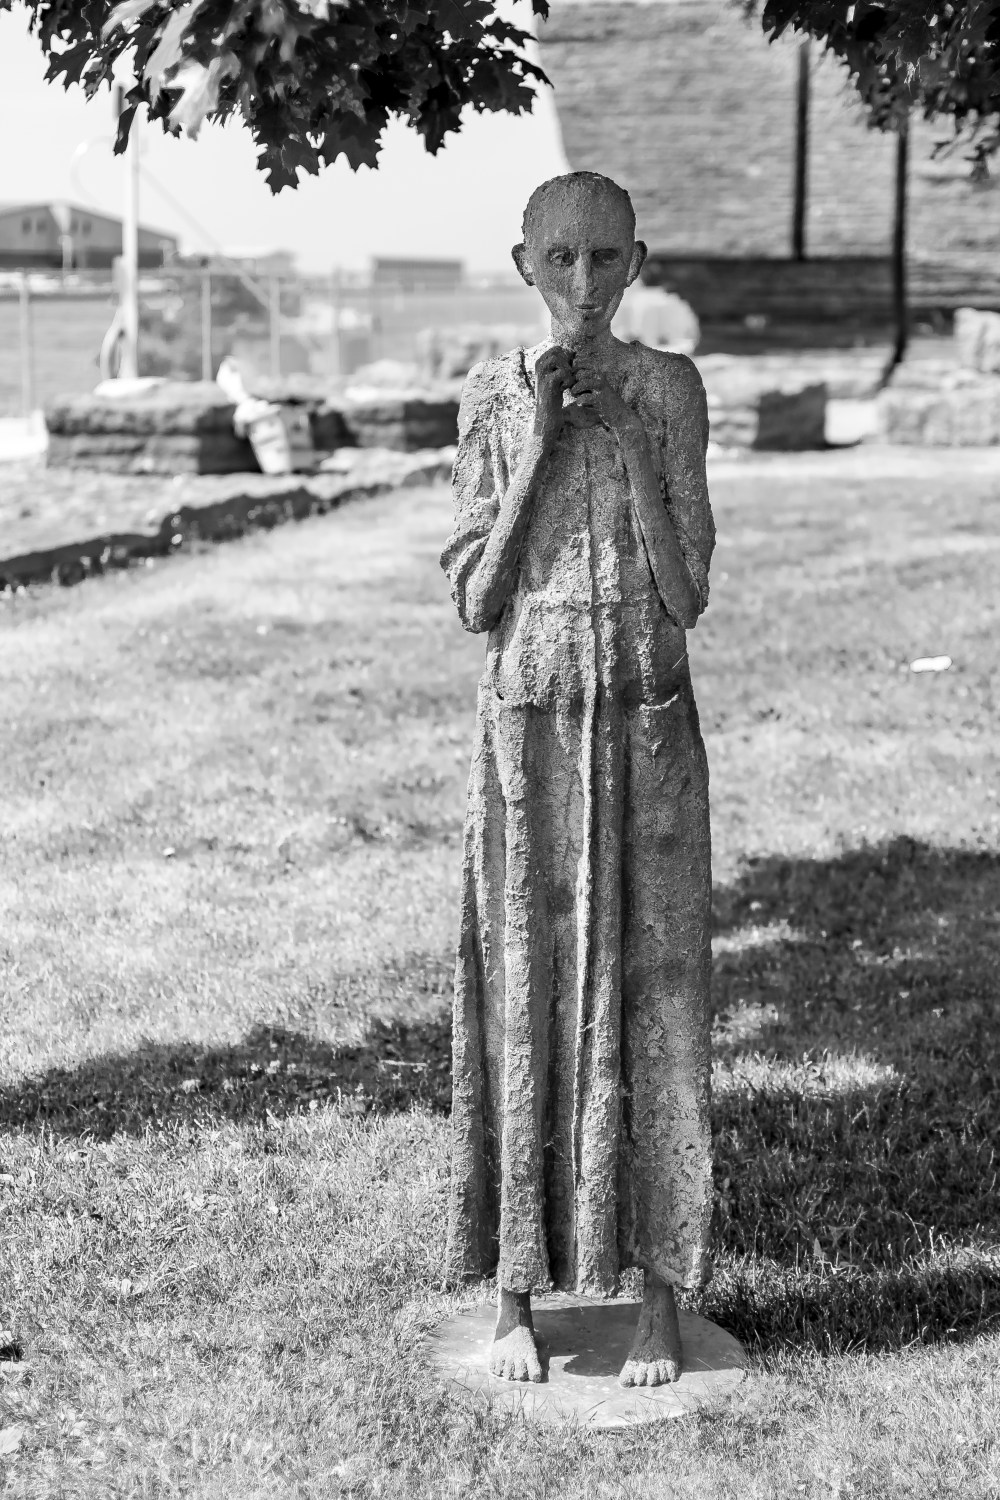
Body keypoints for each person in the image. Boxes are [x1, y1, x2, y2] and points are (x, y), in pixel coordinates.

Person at [440, 171, 715, 1388]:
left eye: (606, 260)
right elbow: (473, 598)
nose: (585, 286)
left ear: (638, 263)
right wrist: (546, 442)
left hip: (645, 718)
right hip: (530, 724)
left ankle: (659, 1292)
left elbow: (688, 588)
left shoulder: (667, 388)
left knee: (656, 987)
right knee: (522, 985)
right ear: (522, 267)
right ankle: (516, 1292)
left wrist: (628, 448)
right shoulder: (495, 396)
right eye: (560, 261)